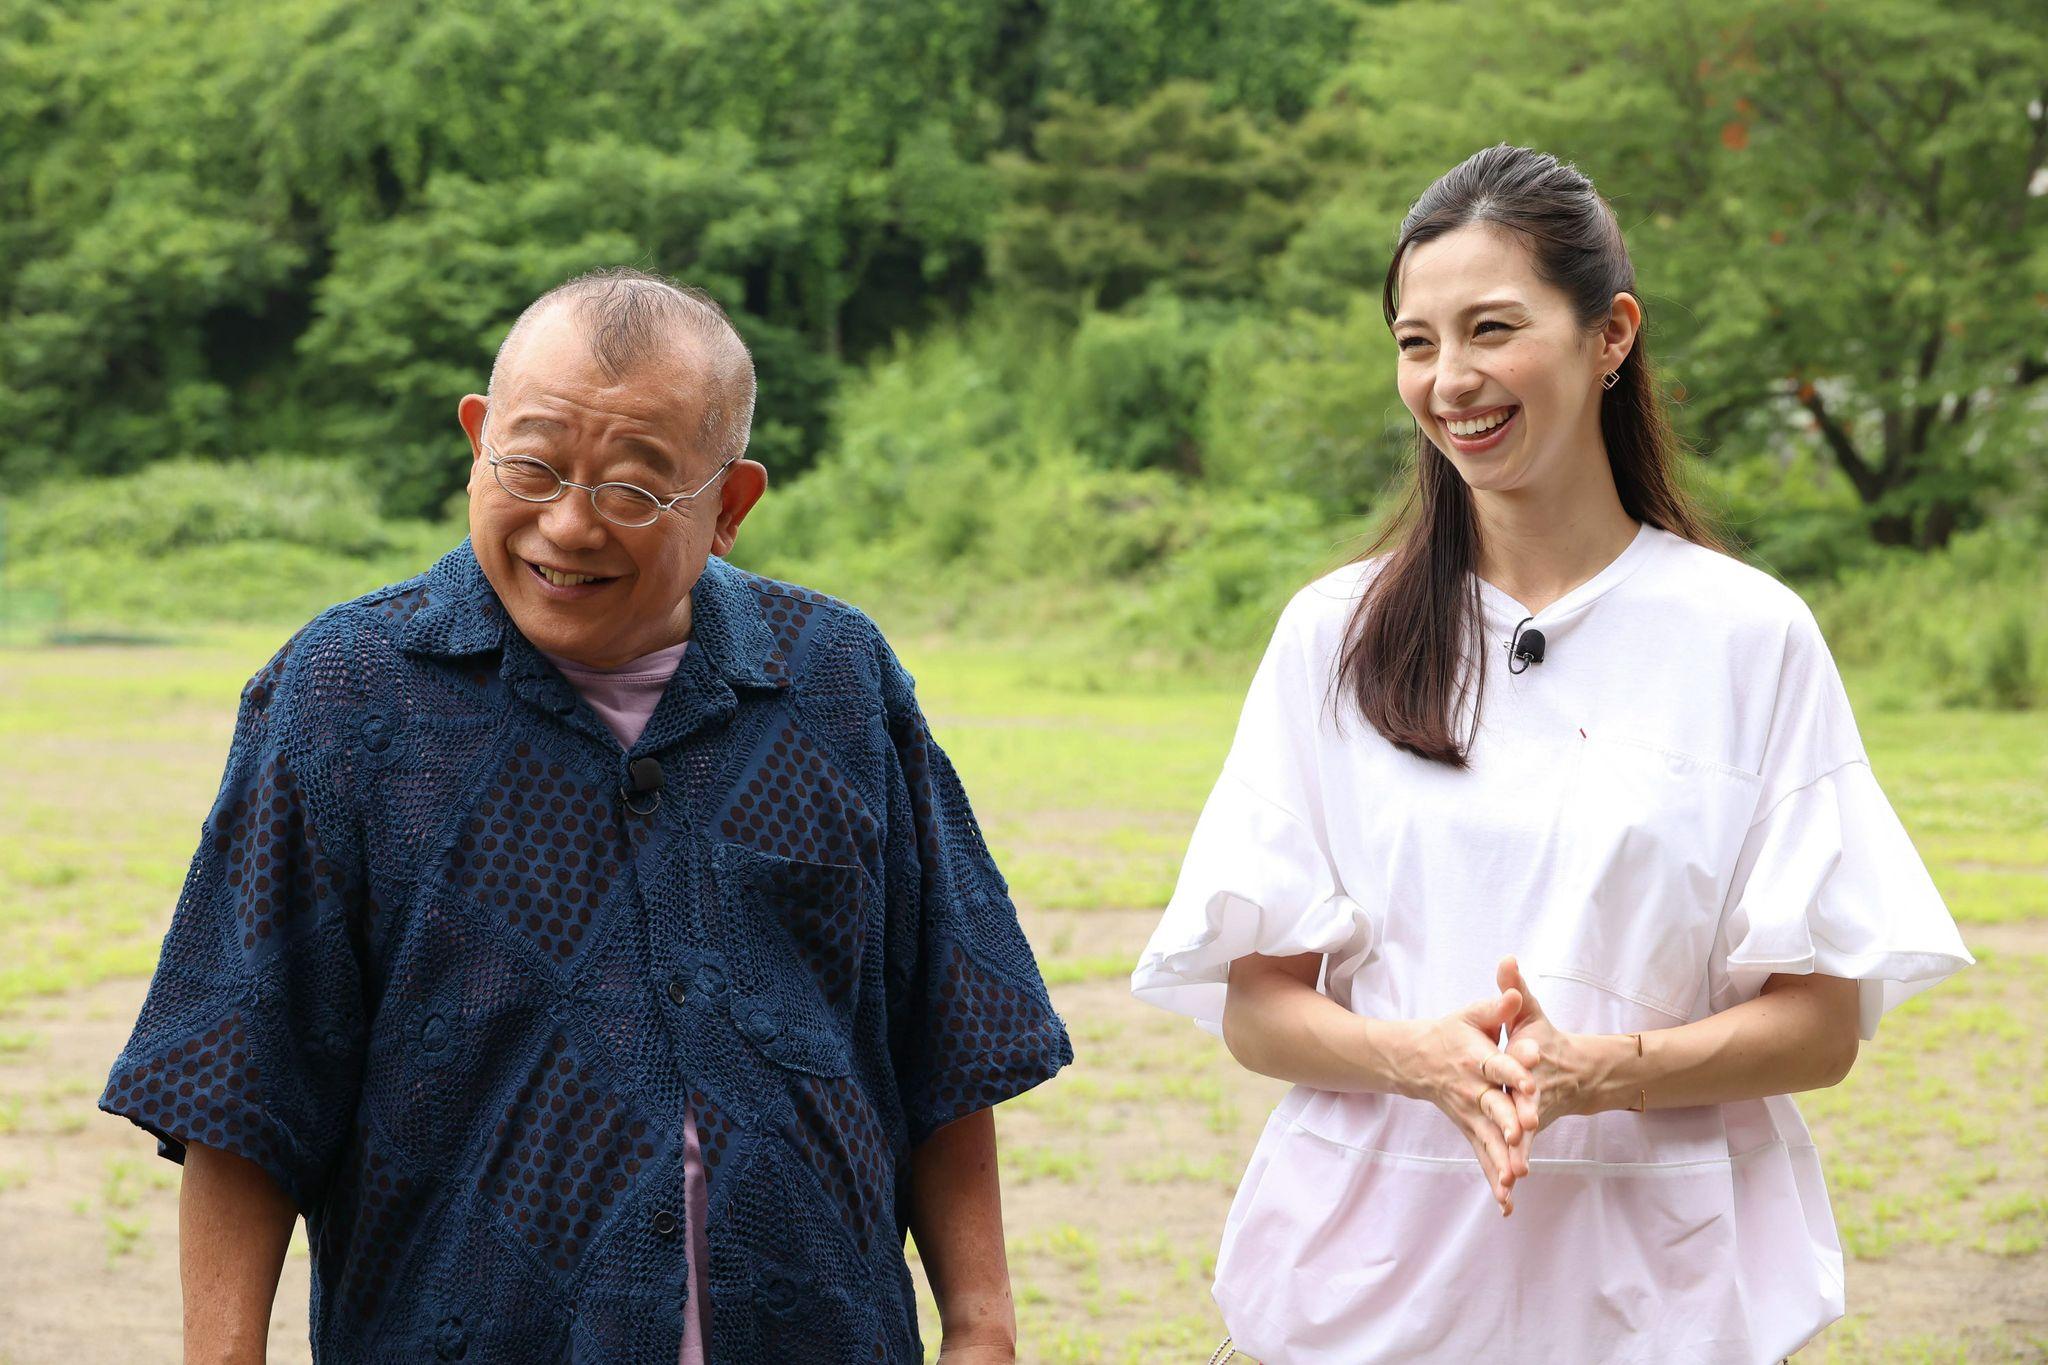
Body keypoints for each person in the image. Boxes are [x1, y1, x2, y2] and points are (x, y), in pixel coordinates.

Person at [101, 267, 1072, 1363]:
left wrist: (982, 1328)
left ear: (729, 508)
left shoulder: (835, 679)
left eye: (632, 489)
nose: (568, 525)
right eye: (531, 466)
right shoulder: (342, 696)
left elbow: (936, 1025)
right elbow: (243, 1075)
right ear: (476, 440)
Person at [1130, 145, 1973, 1364]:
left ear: (1609, 334)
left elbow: (1819, 1027)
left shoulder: (1747, 636)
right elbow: (1258, 1009)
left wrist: (1603, 1069)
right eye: (1415, 342)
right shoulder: (1331, 634)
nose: (1449, 379)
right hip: (1366, 1297)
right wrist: (1415, 1058)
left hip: (1659, 1305)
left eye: (1490, 329)